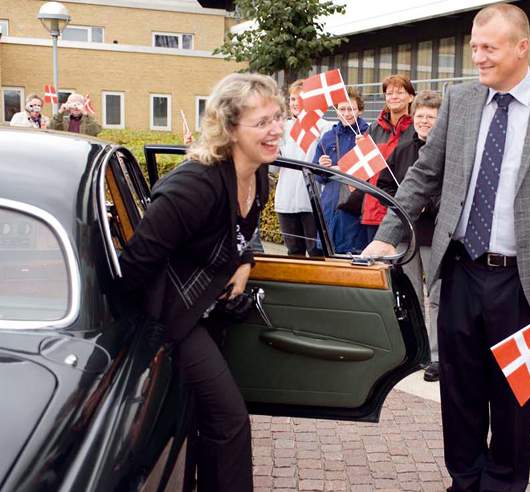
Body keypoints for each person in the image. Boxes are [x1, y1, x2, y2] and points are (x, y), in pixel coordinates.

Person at [363, 4, 530, 489]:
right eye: (474, 47)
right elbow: (424, 174)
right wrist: (387, 235)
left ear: (521, 47)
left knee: (515, 394)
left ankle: (504, 484)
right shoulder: (461, 100)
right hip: (461, 270)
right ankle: (465, 480)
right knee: (460, 390)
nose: (478, 57)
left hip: (524, 281)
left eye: (488, 48)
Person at [119, 73, 284, 491]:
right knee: (230, 419)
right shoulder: (194, 185)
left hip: (206, 312)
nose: (276, 129)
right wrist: (142, 332)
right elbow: (136, 263)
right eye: (263, 122)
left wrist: (245, 261)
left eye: (278, 117)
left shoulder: (256, 173)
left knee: (205, 417)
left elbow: (240, 235)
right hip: (171, 319)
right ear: (229, 129)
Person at [376, 90, 443, 382]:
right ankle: (416, 351)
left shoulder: (447, 151)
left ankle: (439, 355)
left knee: (437, 296)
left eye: (430, 116)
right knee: (410, 294)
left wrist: (431, 205)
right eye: (420, 116)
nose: (424, 121)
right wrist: (399, 206)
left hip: (435, 236)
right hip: (405, 235)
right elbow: (384, 185)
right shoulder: (403, 148)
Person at [277, 79, 332, 256]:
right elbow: (273, 167)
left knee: (316, 252)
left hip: (312, 200)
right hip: (286, 200)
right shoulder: (282, 128)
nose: (295, 103)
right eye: (292, 99)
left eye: (300, 99)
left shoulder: (324, 127)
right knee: (294, 252)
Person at [313, 90, 371, 254]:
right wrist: (321, 166)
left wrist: (364, 148)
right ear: (337, 110)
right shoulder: (328, 137)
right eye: (342, 109)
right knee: (328, 254)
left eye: (351, 109)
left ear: (359, 110)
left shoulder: (368, 134)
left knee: (354, 255)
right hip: (330, 205)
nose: (346, 113)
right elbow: (317, 175)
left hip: (354, 205)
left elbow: (373, 171)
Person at [362, 74, 416, 239]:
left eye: (399, 92)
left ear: (411, 97)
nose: (394, 97)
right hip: (374, 210)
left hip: (405, 210)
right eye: (389, 93)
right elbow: (364, 170)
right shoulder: (373, 129)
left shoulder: (417, 128)